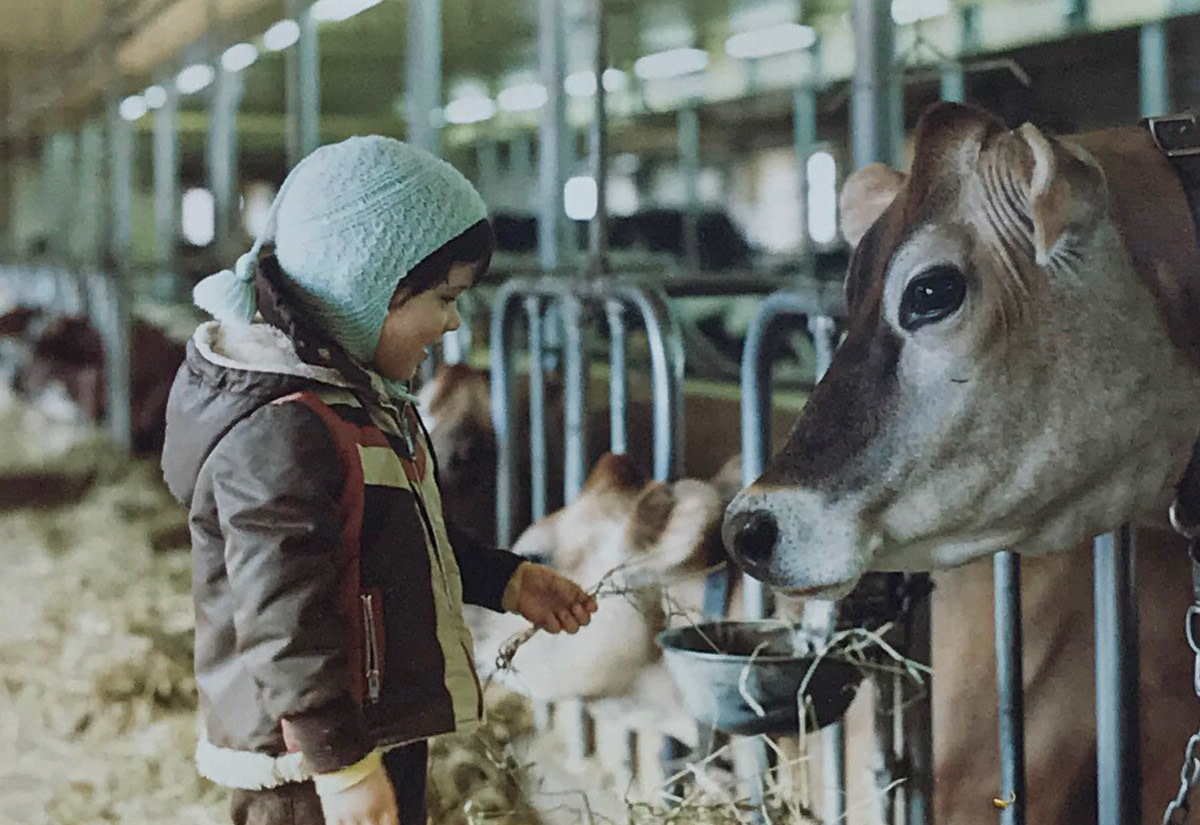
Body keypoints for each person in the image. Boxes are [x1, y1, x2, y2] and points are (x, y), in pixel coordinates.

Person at [161, 136, 598, 825]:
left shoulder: (353, 399)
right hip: (304, 759)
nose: (453, 321)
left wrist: (501, 578)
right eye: (445, 297)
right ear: (373, 290)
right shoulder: (284, 427)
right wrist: (339, 763)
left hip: (363, 723)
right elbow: (282, 616)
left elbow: (393, 535)